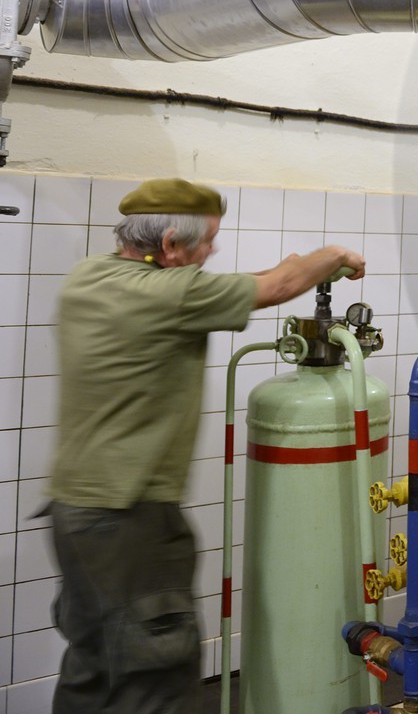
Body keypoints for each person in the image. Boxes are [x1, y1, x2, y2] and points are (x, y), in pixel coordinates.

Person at [46, 178, 366, 714]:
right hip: (131, 523)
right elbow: (274, 288)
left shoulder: (92, 276)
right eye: (206, 242)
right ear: (170, 244)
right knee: (155, 679)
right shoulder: (169, 295)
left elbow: (247, 282)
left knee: (95, 671)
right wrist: (333, 255)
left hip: (75, 516)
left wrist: (296, 266)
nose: (212, 252)